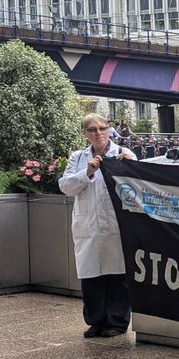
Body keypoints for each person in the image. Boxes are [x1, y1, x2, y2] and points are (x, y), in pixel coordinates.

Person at [58, 113, 138, 338]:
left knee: (117, 275)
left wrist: (129, 168)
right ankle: (96, 321)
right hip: (88, 225)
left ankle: (117, 321)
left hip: (115, 224)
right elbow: (65, 186)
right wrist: (88, 172)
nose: (98, 133)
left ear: (109, 130)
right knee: (91, 276)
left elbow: (139, 185)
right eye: (92, 129)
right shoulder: (78, 158)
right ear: (85, 133)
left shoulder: (123, 154)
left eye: (102, 128)